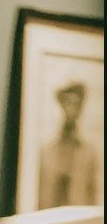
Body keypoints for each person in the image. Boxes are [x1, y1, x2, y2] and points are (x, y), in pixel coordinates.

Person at [38, 81, 99, 209]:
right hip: (49, 216)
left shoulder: (89, 154)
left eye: (76, 104)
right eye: (68, 103)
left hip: (79, 217)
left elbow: (92, 196)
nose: (72, 110)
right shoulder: (46, 153)